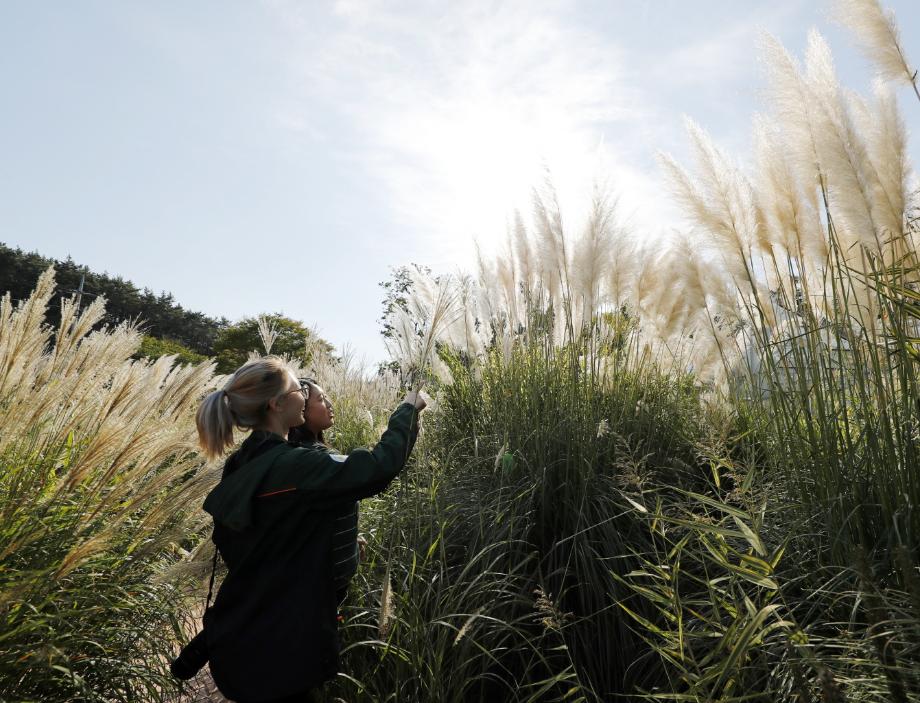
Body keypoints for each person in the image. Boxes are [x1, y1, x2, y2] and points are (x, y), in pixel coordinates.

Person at [172, 356, 425, 703]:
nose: (304, 397)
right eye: (297, 390)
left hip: (247, 632)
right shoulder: (295, 464)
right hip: (282, 646)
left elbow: (277, 535)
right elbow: (379, 467)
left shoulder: (243, 462)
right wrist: (407, 411)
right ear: (277, 404)